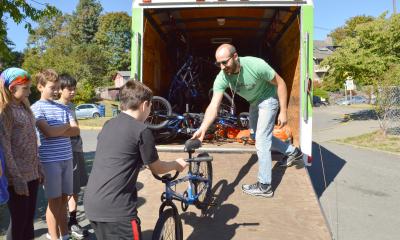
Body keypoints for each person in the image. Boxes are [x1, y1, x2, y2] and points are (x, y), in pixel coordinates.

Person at [192, 44, 303, 198]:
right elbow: (213, 105)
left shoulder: (256, 65)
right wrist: (203, 128)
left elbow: (281, 83)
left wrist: (283, 111)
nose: (222, 67)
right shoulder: (222, 77)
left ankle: (264, 186)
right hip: (255, 103)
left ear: (235, 57)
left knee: (262, 140)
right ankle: (293, 152)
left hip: (268, 98)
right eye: (219, 64)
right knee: (256, 136)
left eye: (225, 62)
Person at [84, 80, 188, 240]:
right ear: (145, 105)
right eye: (151, 106)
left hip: (93, 205)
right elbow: (157, 168)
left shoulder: (108, 125)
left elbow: (117, 155)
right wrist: (176, 164)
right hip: (118, 211)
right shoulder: (142, 130)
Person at [31, 69, 80, 240]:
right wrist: (66, 127)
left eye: (58, 87)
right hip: (50, 161)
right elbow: (48, 132)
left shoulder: (63, 107)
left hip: (67, 158)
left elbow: (76, 131)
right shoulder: (36, 108)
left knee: (64, 199)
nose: (57, 91)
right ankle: (53, 236)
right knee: (54, 201)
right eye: (52, 87)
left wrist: (61, 129)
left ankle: (64, 235)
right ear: (40, 87)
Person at [0, 67, 43, 240]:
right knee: (19, 223)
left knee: (28, 222)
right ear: (12, 89)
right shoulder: (6, 112)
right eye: (26, 88)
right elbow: (5, 147)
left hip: (31, 173)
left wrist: (38, 166)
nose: (30, 91)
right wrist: (16, 178)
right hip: (17, 177)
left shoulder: (25, 108)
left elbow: (32, 141)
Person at [57, 73, 89, 239]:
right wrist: (71, 130)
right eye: (69, 89)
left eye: (74, 89)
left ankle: (72, 221)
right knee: (66, 190)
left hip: (77, 150)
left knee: (75, 188)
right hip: (65, 153)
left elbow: (74, 130)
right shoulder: (56, 107)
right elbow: (67, 130)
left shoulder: (71, 106)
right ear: (60, 89)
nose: (72, 92)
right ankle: (64, 225)